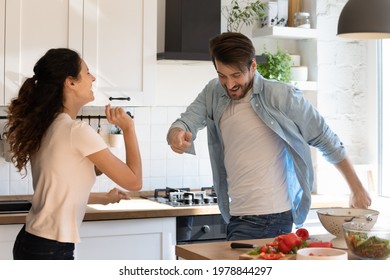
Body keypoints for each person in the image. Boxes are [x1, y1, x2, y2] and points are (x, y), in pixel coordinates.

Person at [166, 32, 372, 241]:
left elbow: (326, 139)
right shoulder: (213, 92)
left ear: (253, 66)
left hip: (270, 217)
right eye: (222, 76)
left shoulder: (282, 96)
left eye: (236, 75)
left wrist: (357, 188)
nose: (229, 85)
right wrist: (177, 134)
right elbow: (186, 121)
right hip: (236, 214)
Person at [3, 48, 142, 259]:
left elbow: (59, 193)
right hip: (51, 249)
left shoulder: (47, 126)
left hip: (32, 242)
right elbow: (134, 181)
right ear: (71, 82)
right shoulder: (75, 131)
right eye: (87, 72)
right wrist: (129, 129)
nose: (93, 77)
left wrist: (104, 198)